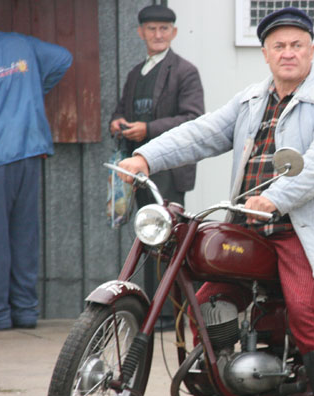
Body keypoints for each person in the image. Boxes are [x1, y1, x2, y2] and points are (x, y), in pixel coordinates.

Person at [118, 7, 314, 396]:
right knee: (206, 304)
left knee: (304, 310)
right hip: (250, 227)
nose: (288, 53)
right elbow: (202, 132)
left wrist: (276, 197)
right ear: (265, 53)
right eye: (278, 46)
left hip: (305, 228)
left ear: (311, 49)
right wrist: (146, 157)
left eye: (296, 45)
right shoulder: (251, 100)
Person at [0, 0, 72, 330]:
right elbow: (62, 58)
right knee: (23, 236)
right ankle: (25, 312)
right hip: (28, 150)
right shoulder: (21, 44)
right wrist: (32, 91)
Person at [110, 4, 204, 328]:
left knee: (166, 242)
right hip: (141, 170)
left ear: (174, 33)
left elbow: (193, 119)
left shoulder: (185, 71)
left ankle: (167, 314)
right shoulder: (136, 73)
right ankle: (152, 308)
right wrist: (117, 122)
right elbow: (121, 110)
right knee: (147, 238)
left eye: (164, 29)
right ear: (141, 33)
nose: (158, 34)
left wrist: (148, 129)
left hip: (169, 172)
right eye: (151, 29)